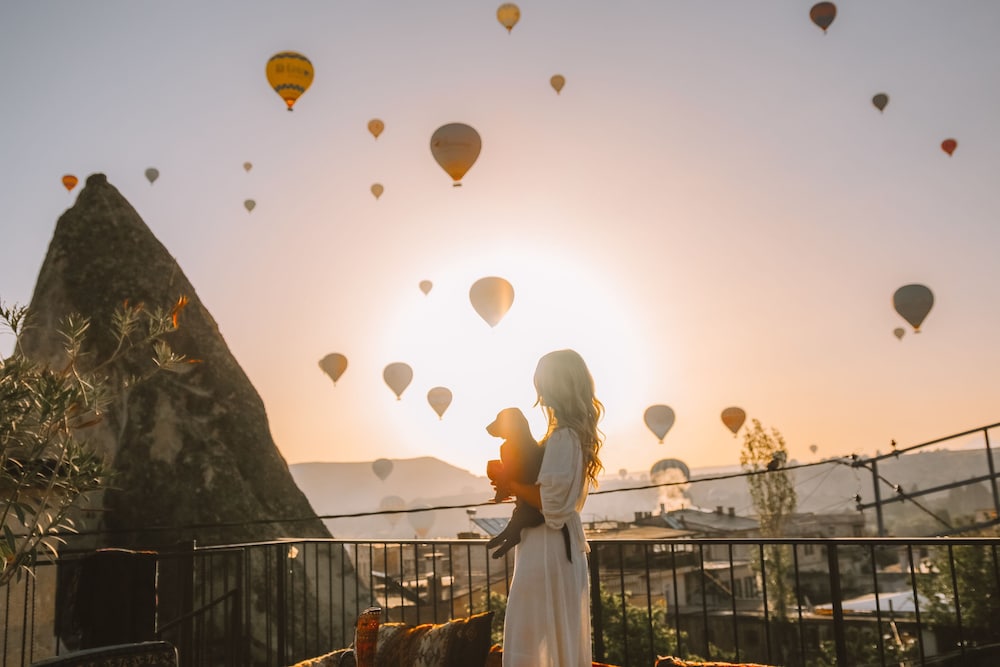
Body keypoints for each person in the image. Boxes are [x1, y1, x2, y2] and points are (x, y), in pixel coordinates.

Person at [496, 349, 604, 666]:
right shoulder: (573, 435)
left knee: (531, 635)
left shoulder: (562, 438)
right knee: (553, 638)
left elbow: (550, 503)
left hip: (548, 550)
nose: (539, 394)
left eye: (542, 384)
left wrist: (508, 481)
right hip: (557, 549)